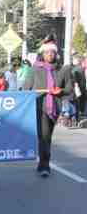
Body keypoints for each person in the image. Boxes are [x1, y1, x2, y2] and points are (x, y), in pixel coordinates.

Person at [24, 35, 72, 178]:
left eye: (52, 52)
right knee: (43, 137)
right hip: (39, 107)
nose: (50, 55)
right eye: (47, 52)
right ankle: (45, 165)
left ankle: (42, 163)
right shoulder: (34, 70)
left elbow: (69, 88)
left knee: (47, 137)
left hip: (54, 108)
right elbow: (26, 89)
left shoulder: (61, 70)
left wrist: (61, 91)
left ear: (56, 54)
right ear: (42, 54)